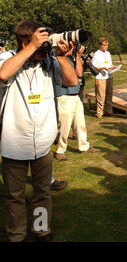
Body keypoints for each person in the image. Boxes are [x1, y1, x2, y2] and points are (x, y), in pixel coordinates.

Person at [0, 20, 78, 242]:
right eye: (41, 43)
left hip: (43, 142)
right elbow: (4, 74)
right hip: (14, 141)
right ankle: (16, 236)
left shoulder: (49, 61)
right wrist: (32, 47)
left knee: (42, 192)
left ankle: (40, 229)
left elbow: (72, 80)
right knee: (14, 196)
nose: (46, 49)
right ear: (26, 41)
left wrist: (62, 57)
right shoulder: (8, 58)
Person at [53, 45, 101, 161]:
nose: (73, 49)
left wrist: (78, 57)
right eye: (71, 47)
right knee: (64, 126)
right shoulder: (56, 59)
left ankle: (84, 146)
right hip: (63, 95)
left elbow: (79, 73)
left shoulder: (73, 59)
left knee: (80, 124)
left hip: (75, 95)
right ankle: (60, 150)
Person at [91, 37, 116, 118]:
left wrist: (112, 67)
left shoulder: (108, 53)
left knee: (109, 94)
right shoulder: (96, 54)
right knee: (101, 95)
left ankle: (108, 111)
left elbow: (109, 64)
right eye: (104, 45)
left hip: (109, 76)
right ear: (100, 45)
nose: (106, 47)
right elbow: (93, 67)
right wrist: (103, 67)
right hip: (100, 77)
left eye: (107, 45)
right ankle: (99, 112)